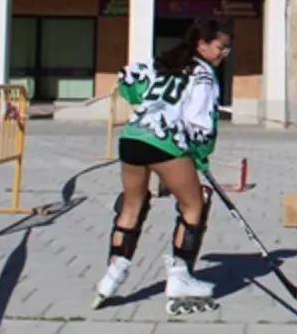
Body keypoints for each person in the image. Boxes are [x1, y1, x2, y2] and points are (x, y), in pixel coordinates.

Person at [93, 19, 231, 315]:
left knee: (132, 204)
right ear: (202, 45)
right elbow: (202, 122)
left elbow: (127, 80)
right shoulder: (204, 74)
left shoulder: (162, 63)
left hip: (132, 136)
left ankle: (112, 275)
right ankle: (180, 278)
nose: (224, 54)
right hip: (164, 142)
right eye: (221, 47)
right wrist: (200, 156)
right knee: (195, 205)